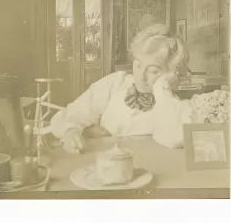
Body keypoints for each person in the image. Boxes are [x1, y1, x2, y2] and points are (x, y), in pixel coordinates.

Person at [50, 24, 193, 154]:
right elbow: (69, 116)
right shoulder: (115, 84)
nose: (141, 76)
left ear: (170, 73)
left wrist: (162, 87)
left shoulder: (171, 106)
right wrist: (71, 131)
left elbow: (172, 138)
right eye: (138, 65)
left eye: (153, 71)